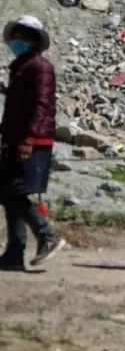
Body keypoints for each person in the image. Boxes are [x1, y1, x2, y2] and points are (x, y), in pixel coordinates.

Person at [1, 15, 65, 270]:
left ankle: (47, 236)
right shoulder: (21, 67)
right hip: (17, 139)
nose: (17, 41)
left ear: (34, 40)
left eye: (23, 36)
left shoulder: (41, 67)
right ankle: (14, 253)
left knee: (14, 192)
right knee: (8, 192)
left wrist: (29, 139)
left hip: (33, 141)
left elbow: (42, 105)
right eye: (15, 36)